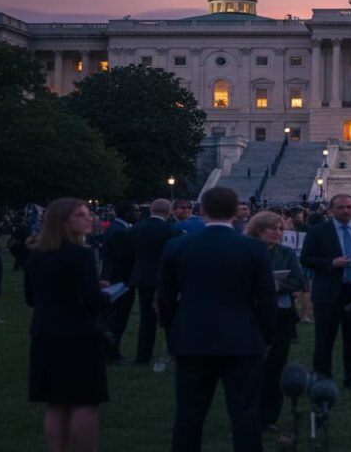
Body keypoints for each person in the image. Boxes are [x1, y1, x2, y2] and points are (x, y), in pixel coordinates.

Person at [157, 187, 277, 452]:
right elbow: (266, 299)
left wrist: (172, 328)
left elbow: (164, 298)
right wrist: (267, 337)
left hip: (192, 338)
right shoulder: (254, 249)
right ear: (236, 212)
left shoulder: (178, 246)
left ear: (201, 211)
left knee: (189, 415)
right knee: (245, 414)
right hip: (242, 339)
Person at [25, 198, 111, 452]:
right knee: (85, 402)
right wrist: (105, 294)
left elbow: (31, 298)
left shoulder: (37, 257)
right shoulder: (80, 255)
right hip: (79, 334)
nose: (90, 219)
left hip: (45, 332)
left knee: (56, 402)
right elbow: (91, 300)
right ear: (64, 222)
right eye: (81, 215)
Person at [299, 193, 351, 386]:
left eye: (349, 207)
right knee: (324, 338)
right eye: (341, 207)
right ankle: (322, 376)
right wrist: (331, 263)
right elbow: (306, 258)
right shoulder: (318, 231)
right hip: (329, 291)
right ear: (331, 210)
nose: (346, 211)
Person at [244, 211, 305, 434]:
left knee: (275, 366)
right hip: (251, 314)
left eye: (280, 229)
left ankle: (269, 417)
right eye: (273, 229)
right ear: (259, 230)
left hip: (281, 314)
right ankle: (247, 416)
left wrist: (274, 286)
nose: (278, 233)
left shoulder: (286, 253)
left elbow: (298, 280)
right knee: (250, 367)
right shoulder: (246, 250)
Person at [128, 198, 180, 365]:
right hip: (165, 279)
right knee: (169, 317)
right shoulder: (170, 230)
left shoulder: (135, 229)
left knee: (146, 318)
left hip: (143, 277)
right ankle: (173, 353)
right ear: (169, 211)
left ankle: (143, 356)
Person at [99, 200, 139, 363]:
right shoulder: (120, 232)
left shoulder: (117, 229)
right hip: (121, 280)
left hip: (117, 277)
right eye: (135, 211)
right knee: (117, 318)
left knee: (115, 317)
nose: (138, 214)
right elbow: (125, 257)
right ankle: (111, 352)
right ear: (126, 213)